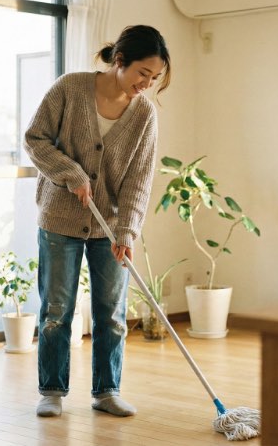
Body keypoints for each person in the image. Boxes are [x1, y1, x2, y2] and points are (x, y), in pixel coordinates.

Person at [24, 25, 171, 418]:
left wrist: (127, 231)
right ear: (120, 61)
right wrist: (70, 172)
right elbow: (34, 139)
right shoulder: (70, 88)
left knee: (111, 311)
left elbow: (140, 180)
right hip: (60, 218)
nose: (147, 84)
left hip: (110, 225)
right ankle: (51, 390)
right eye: (143, 73)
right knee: (57, 308)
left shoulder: (144, 115)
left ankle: (107, 391)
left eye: (155, 78)